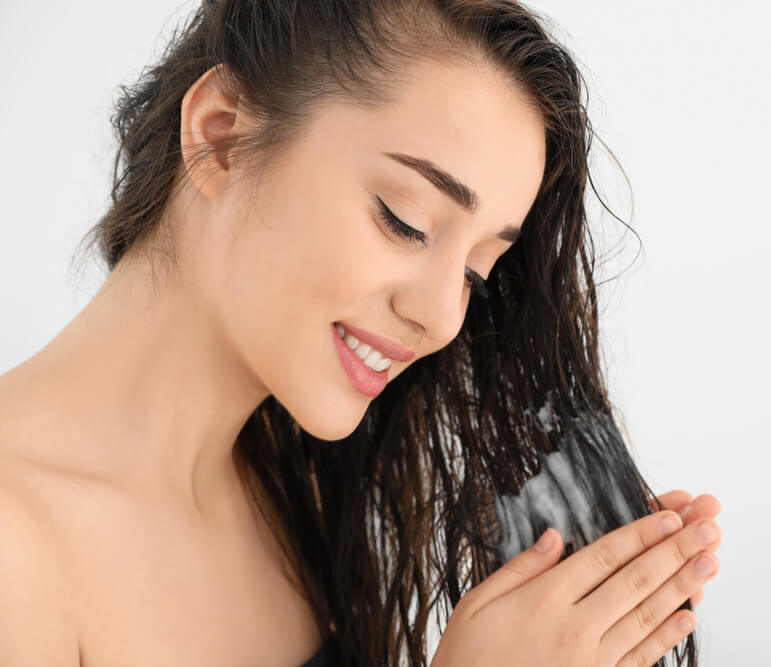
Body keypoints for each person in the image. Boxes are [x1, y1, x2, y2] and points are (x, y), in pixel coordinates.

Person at [0, 1, 722, 665]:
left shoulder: (297, 488)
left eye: (475, 273)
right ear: (221, 134)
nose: (442, 317)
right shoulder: (16, 552)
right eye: (405, 221)